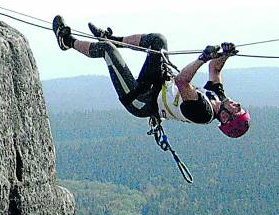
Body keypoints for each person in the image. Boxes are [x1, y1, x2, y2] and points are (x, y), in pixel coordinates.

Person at [51, 15, 251, 138]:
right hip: (156, 85)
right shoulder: (218, 97)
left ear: (225, 117)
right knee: (158, 41)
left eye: (237, 109)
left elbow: (182, 82)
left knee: (106, 51)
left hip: (141, 101)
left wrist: (202, 58)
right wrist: (225, 54)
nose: (237, 103)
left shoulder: (203, 112)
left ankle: (67, 41)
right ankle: (111, 38)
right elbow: (215, 70)